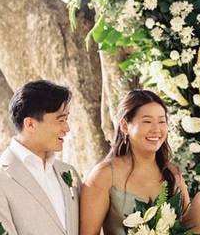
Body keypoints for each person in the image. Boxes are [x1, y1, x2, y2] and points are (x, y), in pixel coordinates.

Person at [0, 80, 81, 235]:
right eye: (61, 120)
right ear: (30, 124)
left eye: (67, 119)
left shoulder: (69, 172)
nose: (67, 128)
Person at [80, 89, 190, 235]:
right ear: (125, 126)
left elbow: (191, 226)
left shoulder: (172, 173)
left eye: (162, 121)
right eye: (147, 121)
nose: (156, 129)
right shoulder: (103, 175)